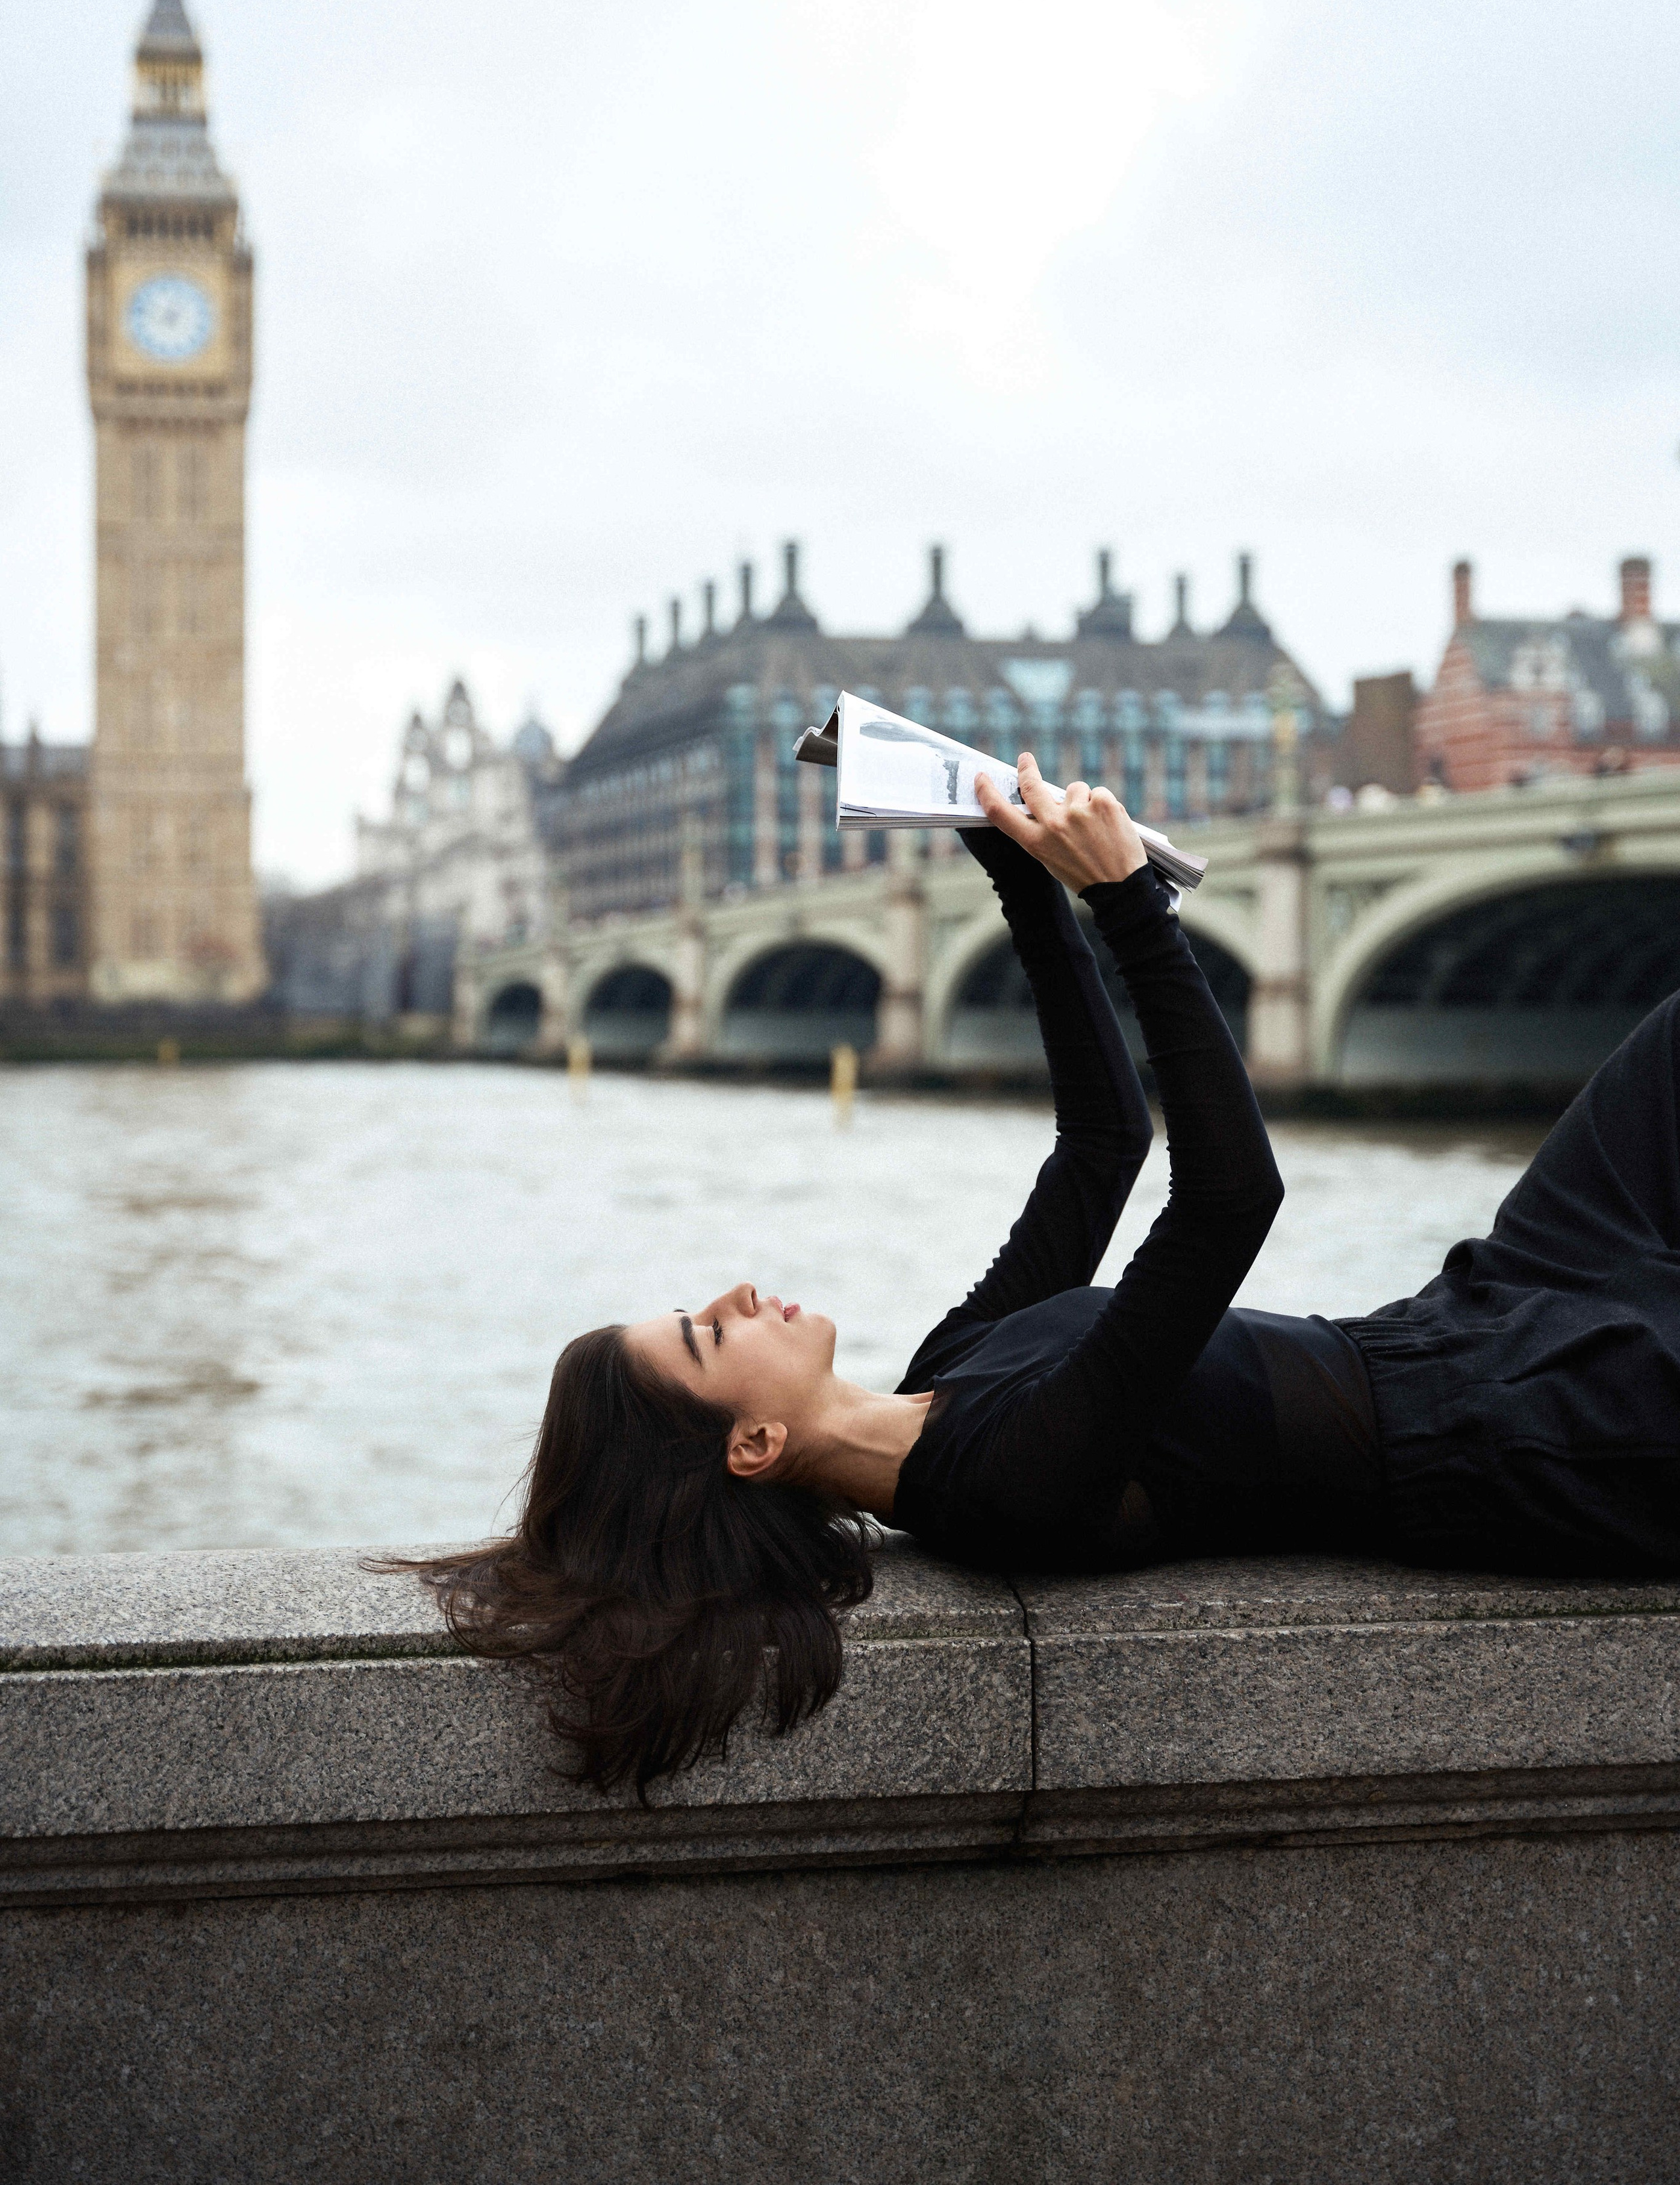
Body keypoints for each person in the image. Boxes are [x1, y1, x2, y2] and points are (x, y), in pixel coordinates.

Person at [402, 755, 1680, 1794]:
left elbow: (1103, 1140)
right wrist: (1128, 907)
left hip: (1479, 1304)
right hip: (1545, 1433)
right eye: (700, 1334)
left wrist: (1016, 879)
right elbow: (1229, 1198)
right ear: (747, 1446)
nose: (733, 1293)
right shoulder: (1002, 1485)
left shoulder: (948, 1371)